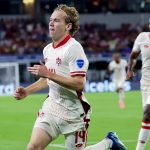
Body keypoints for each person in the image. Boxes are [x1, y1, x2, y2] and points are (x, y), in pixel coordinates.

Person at [14, 4, 127, 150]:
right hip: (52, 107)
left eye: (56, 20)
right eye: (50, 19)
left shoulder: (74, 48)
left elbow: (79, 83)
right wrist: (27, 91)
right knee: (33, 147)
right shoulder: (47, 49)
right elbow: (47, 79)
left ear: (68, 26)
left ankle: (109, 142)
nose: (51, 23)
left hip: (73, 111)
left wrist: (49, 74)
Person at [126, 22, 150, 150]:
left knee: (147, 113)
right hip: (145, 83)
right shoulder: (142, 37)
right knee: (148, 117)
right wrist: (130, 69)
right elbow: (133, 56)